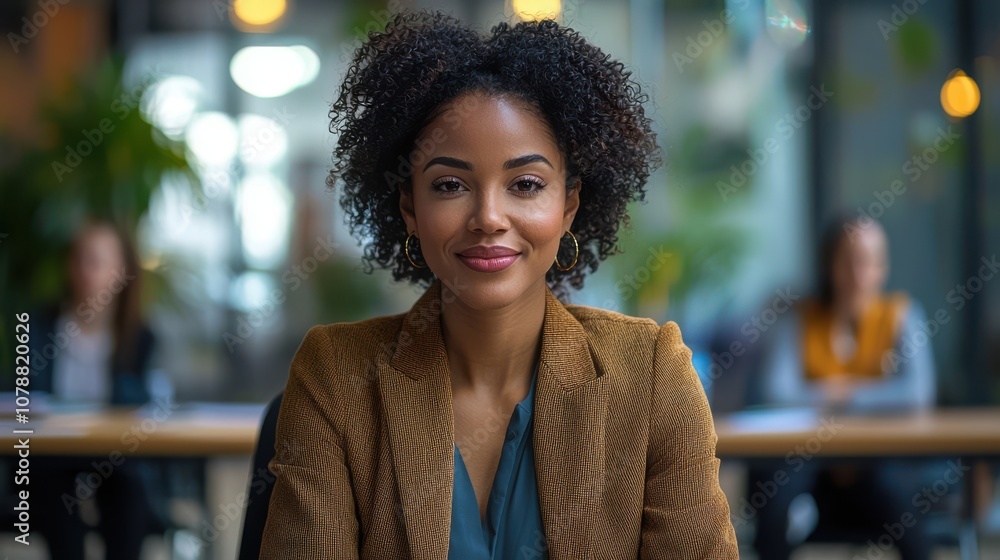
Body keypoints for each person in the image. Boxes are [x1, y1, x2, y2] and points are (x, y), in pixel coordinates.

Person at [259, 10, 738, 559]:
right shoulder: (336, 379)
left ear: (569, 205)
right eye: (450, 184)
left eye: (526, 184)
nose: (488, 216)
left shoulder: (652, 377)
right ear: (410, 207)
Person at [750, 214, 938, 559]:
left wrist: (843, 391)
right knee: (774, 501)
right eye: (847, 261)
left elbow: (916, 394)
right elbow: (777, 392)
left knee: (901, 506)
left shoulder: (902, 315)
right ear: (829, 264)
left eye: (868, 261)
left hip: (877, 463)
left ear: (883, 266)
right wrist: (875, 394)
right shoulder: (799, 318)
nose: (857, 274)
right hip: (809, 465)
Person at [27, 219, 165, 560]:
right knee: (56, 500)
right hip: (52, 455)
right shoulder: (37, 328)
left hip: (117, 456)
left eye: (97, 261)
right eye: (79, 259)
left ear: (120, 272)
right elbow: (20, 397)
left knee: (129, 496)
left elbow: (148, 404)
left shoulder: (140, 337)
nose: (86, 271)